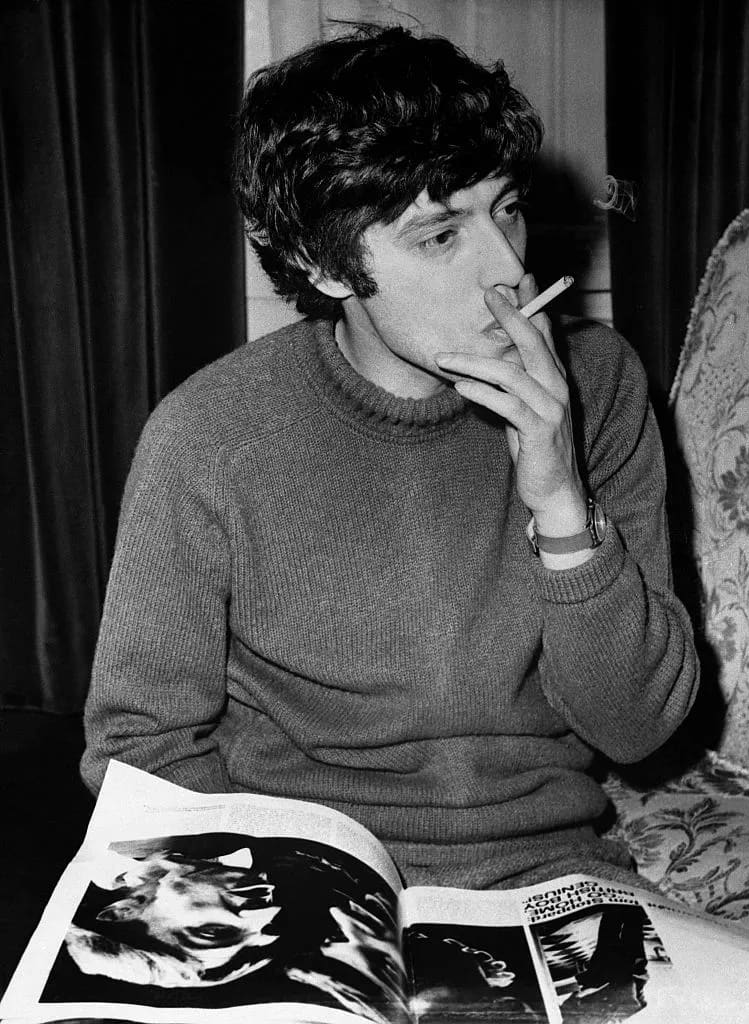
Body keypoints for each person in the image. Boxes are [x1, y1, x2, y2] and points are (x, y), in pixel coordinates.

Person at [81, 24, 699, 893]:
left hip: (544, 871)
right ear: (321, 263)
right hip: (296, 876)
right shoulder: (208, 436)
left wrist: (562, 504)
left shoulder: (598, 381)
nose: (508, 269)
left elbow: (637, 730)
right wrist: (269, 892)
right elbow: (140, 746)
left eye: (507, 208)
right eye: (440, 236)